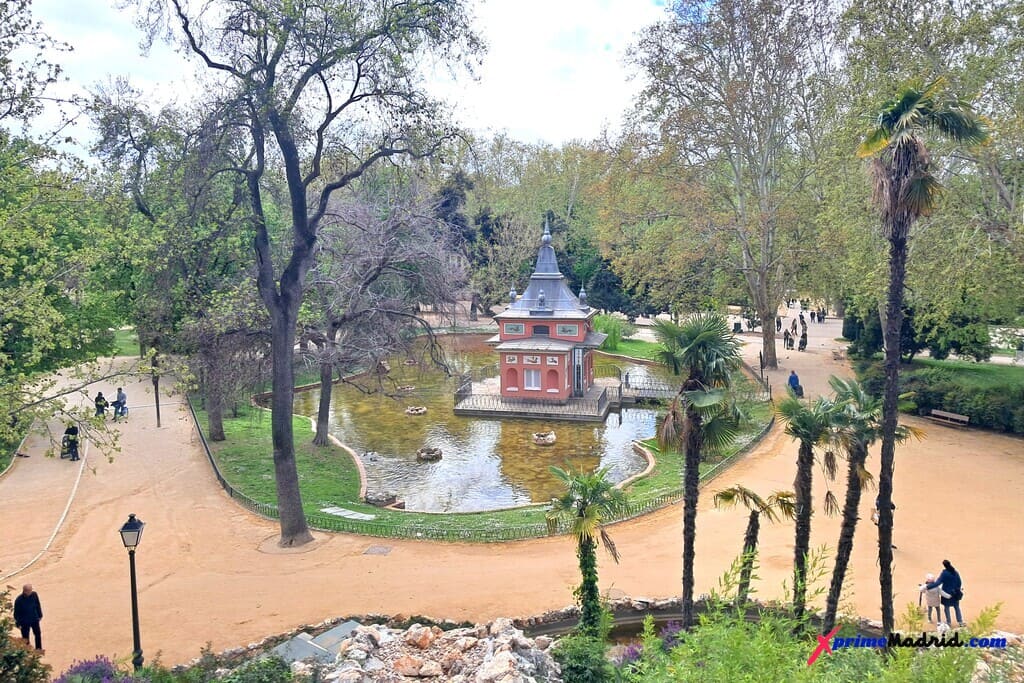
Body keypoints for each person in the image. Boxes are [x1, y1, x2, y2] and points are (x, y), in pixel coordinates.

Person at [927, 560, 966, 627]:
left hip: (946, 593)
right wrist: (957, 590)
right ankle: (960, 621)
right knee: (956, 607)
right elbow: (959, 582)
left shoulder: (944, 574)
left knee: (946, 608)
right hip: (955, 594)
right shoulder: (955, 572)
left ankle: (949, 622)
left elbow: (938, 583)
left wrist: (929, 586)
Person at [13, 584, 43, 652]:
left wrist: (40, 615)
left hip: (34, 618)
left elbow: (38, 605)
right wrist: (18, 624)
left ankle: (39, 649)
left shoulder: (34, 594)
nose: (31, 591)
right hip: (24, 622)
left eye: (31, 590)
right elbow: (16, 613)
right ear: (25, 591)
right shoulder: (18, 600)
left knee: (38, 634)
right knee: (25, 638)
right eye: (29, 591)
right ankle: (27, 652)